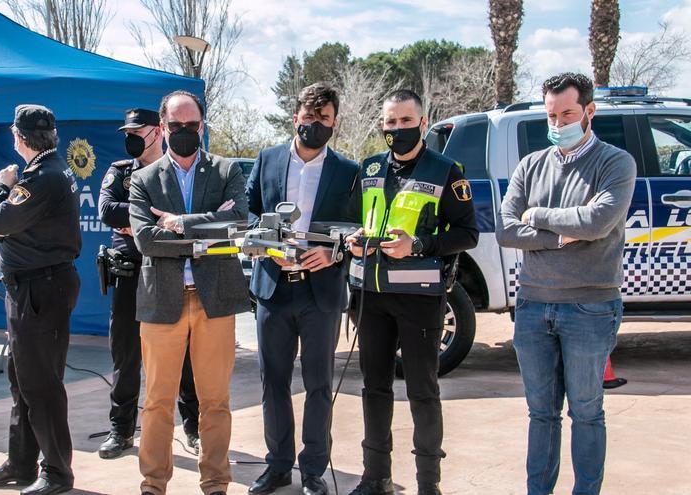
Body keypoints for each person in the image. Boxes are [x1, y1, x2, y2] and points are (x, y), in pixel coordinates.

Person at [495, 73, 635, 495]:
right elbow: (504, 229)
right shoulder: (531, 165)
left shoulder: (615, 163)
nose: (558, 123)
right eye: (552, 115)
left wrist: (535, 216)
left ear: (589, 111)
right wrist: (559, 233)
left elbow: (596, 222)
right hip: (534, 306)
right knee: (541, 414)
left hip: (590, 308)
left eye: (567, 114)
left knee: (587, 412)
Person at [345, 89, 479, 495]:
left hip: (420, 298)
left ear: (423, 123)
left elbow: (467, 234)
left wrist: (418, 245)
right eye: (390, 123)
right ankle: (375, 478)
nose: (397, 129)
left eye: (405, 122)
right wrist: (352, 238)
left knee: (422, 390)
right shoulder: (368, 168)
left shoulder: (446, 171)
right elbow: (351, 220)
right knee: (374, 388)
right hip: (371, 296)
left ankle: (427, 484)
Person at [128, 90, 249, 495]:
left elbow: (237, 221)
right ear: (162, 129)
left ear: (203, 126)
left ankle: (215, 482)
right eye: (176, 126)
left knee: (215, 400)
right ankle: (153, 483)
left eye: (191, 125)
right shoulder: (143, 179)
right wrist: (205, 231)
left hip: (214, 299)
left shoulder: (226, 170)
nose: (184, 132)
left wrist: (179, 223)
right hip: (163, 302)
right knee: (158, 401)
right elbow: (145, 239)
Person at [245, 82, 361, 495]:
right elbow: (250, 211)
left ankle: (313, 469)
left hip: (321, 293)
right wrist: (264, 245)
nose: (315, 126)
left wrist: (334, 255)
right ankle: (277, 466)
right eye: (309, 119)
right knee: (272, 381)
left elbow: (356, 230)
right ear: (295, 118)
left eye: (324, 120)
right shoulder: (269, 158)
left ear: (334, 124)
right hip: (274, 289)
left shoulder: (349, 173)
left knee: (318, 383)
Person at [0, 104, 81, 495]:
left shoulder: (42, 177)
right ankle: (21, 462)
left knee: (41, 385)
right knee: (22, 380)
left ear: (19, 138)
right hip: (32, 287)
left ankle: (57, 472)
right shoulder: (46, 171)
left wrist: (1, 185)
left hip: (41, 288)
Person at [97, 107, 200, 459]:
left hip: (168, 272)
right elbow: (107, 210)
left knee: (184, 354)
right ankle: (121, 429)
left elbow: (184, 216)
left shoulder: (177, 171)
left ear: (157, 132)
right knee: (125, 355)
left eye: (137, 132)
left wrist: (141, 223)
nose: (131, 138)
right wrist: (149, 219)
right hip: (128, 274)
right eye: (127, 132)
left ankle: (194, 426)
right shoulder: (120, 171)